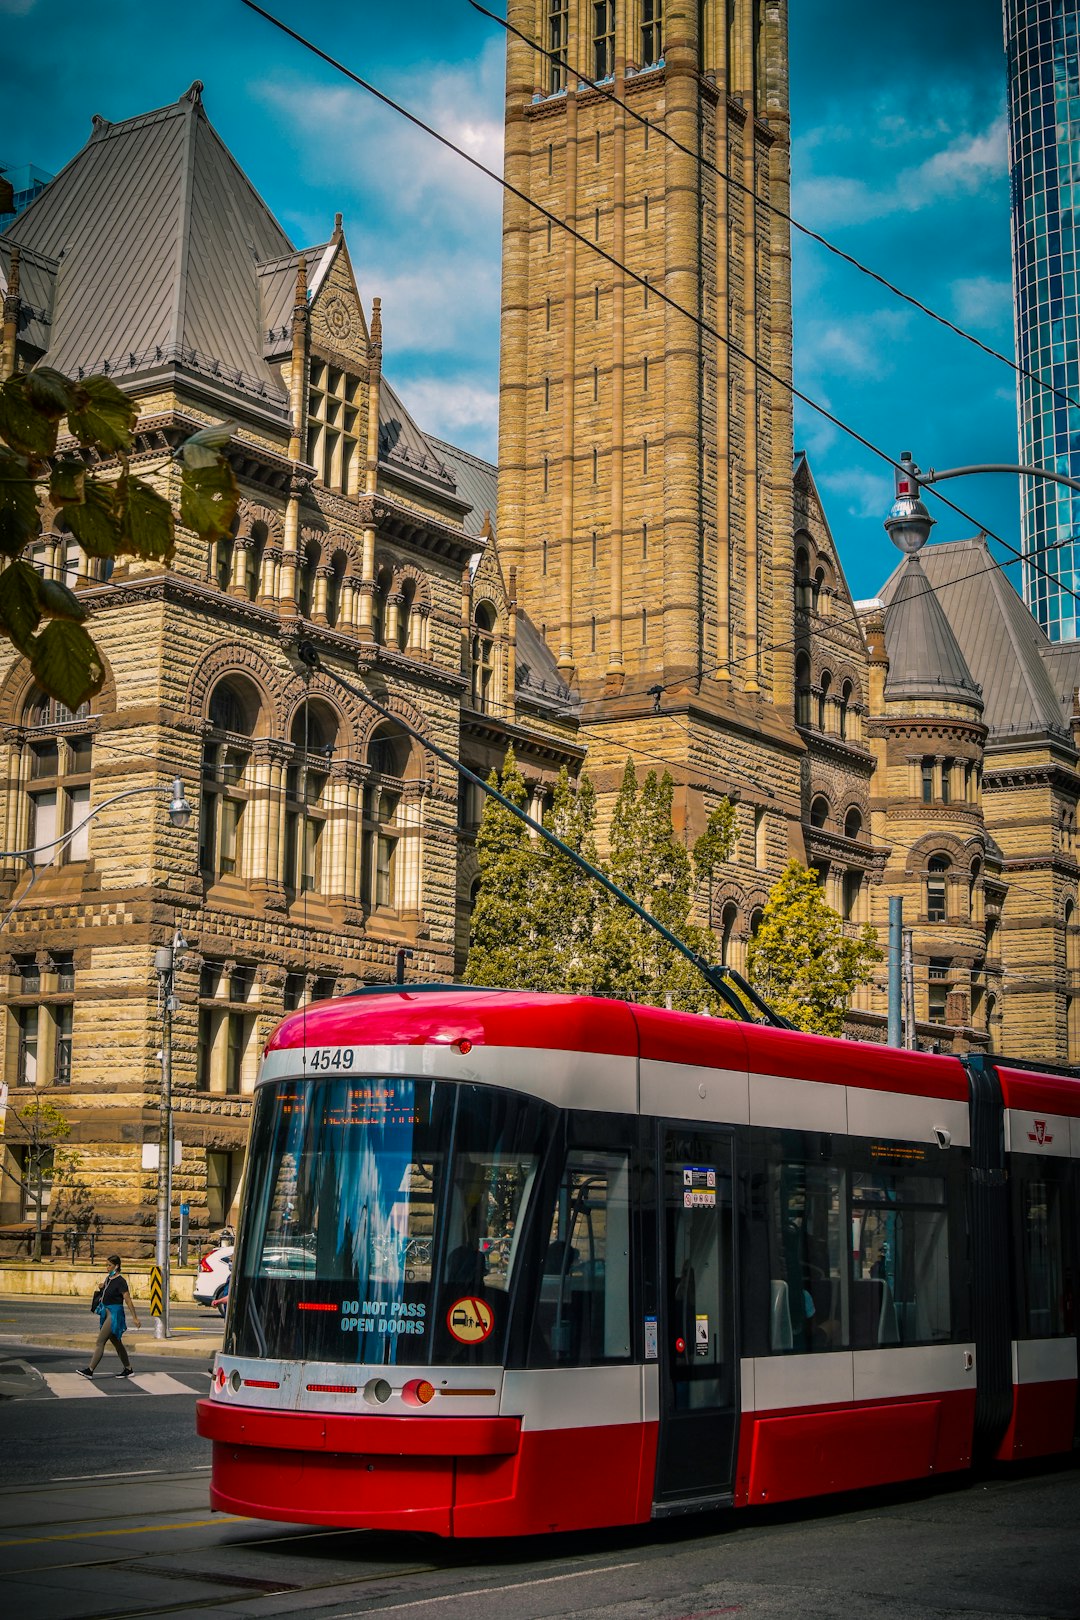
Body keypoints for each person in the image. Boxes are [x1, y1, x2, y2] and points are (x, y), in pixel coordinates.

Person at [77, 1254, 141, 1379]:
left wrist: (135, 1317)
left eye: (109, 1265)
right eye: (106, 1265)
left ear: (116, 1266)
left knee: (100, 1342)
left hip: (114, 1314)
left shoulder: (121, 1281)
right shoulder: (108, 1279)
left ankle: (90, 1370)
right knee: (117, 1343)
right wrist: (102, 1286)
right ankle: (128, 1369)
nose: (107, 1267)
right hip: (105, 1312)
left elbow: (127, 1300)